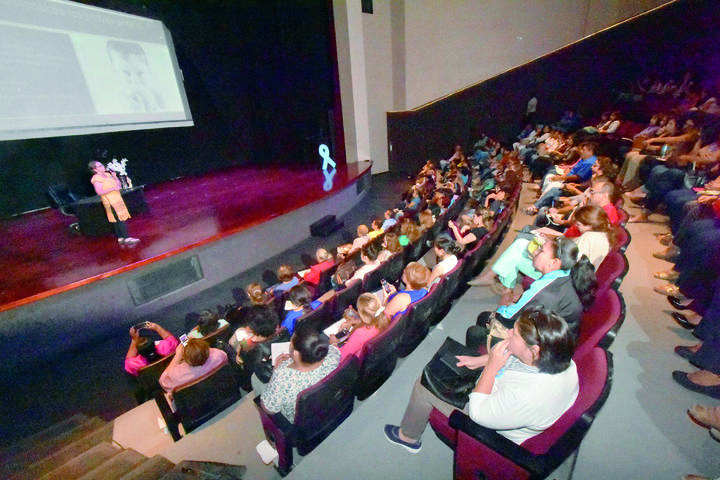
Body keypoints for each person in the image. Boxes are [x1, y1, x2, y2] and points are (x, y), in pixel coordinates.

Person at [384, 307, 579, 452]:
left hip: (493, 422)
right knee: (451, 363)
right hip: (504, 395)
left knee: (422, 385)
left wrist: (491, 366)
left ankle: (408, 438)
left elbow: (478, 413)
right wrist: (480, 361)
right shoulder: (559, 357)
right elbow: (518, 361)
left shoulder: (530, 395)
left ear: (534, 350)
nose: (509, 332)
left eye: (515, 333)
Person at [466, 237, 596, 349]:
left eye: (541, 251)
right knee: (485, 318)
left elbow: (505, 319)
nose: (535, 251)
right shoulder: (565, 274)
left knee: (477, 328)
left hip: (543, 350)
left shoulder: (545, 290)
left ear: (554, 262)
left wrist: (505, 300)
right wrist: (524, 300)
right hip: (552, 337)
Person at [260, 321, 340, 422]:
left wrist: (275, 371)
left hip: (303, 421)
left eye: (291, 343)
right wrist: (333, 342)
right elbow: (333, 347)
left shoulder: (283, 377)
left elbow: (268, 409)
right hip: (327, 406)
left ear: (297, 354)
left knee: (256, 380)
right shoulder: (333, 354)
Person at [89, 161, 139, 245]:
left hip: (117, 199)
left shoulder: (108, 175)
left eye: (102, 165)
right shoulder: (96, 178)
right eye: (100, 166)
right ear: (95, 169)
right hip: (110, 201)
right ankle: (127, 238)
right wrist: (112, 189)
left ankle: (120, 237)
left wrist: (115, 177)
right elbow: (99, 192)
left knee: (117, 219)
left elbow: (118, 186)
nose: (103, 167)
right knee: (119, 219)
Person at [330, 293, 389, 359]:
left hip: (356, 362)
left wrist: (333, 343)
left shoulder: (360, 333)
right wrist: (355, 321)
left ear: (362, 314)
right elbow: (372, 320)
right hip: (378, 356)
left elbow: (342, 357)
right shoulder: (385, 317)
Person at [158, 338, 228, 392]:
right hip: (218, 390)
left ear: (185, 357)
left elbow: (162, 381)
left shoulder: (175, 376)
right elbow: (211, 351)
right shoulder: (219, 356)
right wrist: (197, 347)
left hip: (196, 404)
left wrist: (177, 356)